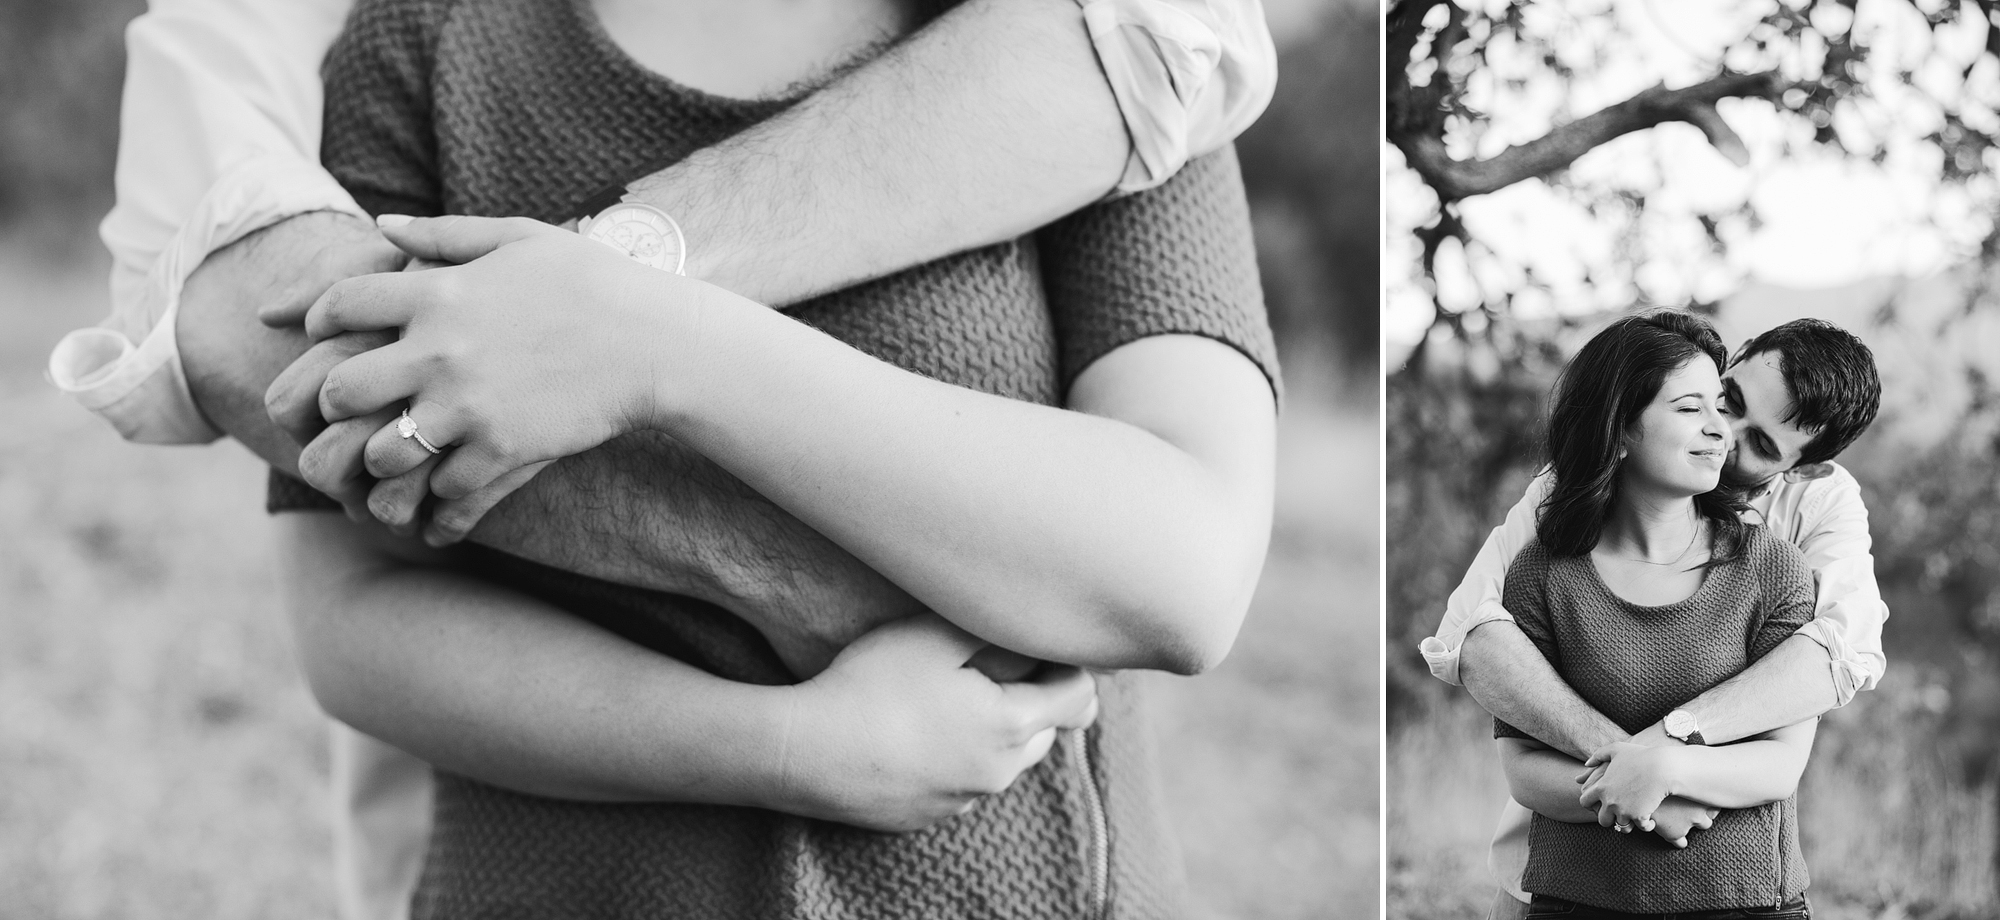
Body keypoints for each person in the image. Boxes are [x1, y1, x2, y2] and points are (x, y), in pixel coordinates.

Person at [47, 1, 1281, 918]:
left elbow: (1181, 570)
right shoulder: (417, 49)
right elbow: (353, 619)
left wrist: (653, 340)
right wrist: (781, 746)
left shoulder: (1096, 58)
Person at [1423, 317, 1883, 920]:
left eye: (1763, 444)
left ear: (1801, 469)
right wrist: (1636, 777)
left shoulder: (1812, 519)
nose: (1724, 431)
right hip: (1564, 869)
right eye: (1727, 398)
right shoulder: (1570, 497)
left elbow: (1837, 653)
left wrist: (1667, 753)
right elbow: (1473, 633)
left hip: (1732, 887)